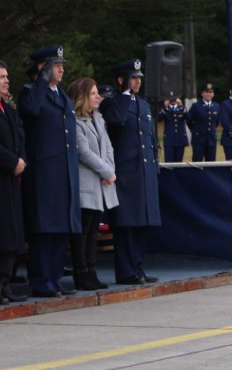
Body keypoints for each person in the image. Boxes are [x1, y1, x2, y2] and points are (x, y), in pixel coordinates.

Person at [18, 45, 80, 297]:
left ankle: (54, 279)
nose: (62, 69)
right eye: (56, 65)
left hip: (63, 171)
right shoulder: (31, 91)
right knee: (44, 230)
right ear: (43, 68)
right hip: (44, 172)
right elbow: (30, 110)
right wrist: (42, 80)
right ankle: (42, 281)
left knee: (59, 228)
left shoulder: (61, 95)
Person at [101, 59, 160, 285]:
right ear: (121, 80)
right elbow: (115, 121)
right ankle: (126, 271)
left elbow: (151, 140)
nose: (137, 81)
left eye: (138, 78)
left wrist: (153, 168)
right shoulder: (112, 103)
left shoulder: (144, 105)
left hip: (143, 172)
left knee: (141, 223)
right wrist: (124, 94)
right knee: (126, 224)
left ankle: (138, 268)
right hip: (125, 173)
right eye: (132, 78)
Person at [69, 78, 117, 291]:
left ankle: (92, 272)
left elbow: (108, 147)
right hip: (86, 183)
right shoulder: (75, 121)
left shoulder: (99, 118)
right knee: (84, 231)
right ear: (82, 97)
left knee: (93, 232)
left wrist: (110, 172)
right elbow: (84, 152)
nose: (98, 97)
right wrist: (105, 171)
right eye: (93, 94)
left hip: (102, 183)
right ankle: (82, 273)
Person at [0, 60, 28, 304]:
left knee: (11, 234)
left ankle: (5, 284)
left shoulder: (8, 109)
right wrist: (12, 162)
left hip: (12, 181)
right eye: (1, 77)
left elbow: (20, 137)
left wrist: (22, 160)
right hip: (3, 175)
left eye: (7, 76)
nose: (6, 80)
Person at [186, 81, 220, 161]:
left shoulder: (216, 106)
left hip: (211, 139)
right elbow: (189, 121)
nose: (208, 94)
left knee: (211, 162)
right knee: (197, 162)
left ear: (213, 94)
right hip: (199, 139)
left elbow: (217, 122)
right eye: (206, 92)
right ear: (202, 94)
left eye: (210, 92)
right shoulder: (196, 106)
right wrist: (195, 130)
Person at [158, 96, 188, 162]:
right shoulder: (166, 109)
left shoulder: (182, 108)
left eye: (174, 98)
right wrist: (165, 107)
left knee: (179, 163)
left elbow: (189, 118)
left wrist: (181, 105)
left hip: (180, 140)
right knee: (169, 162)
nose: (173, 100)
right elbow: (159, 119)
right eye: (171, 99)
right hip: (169, 140)